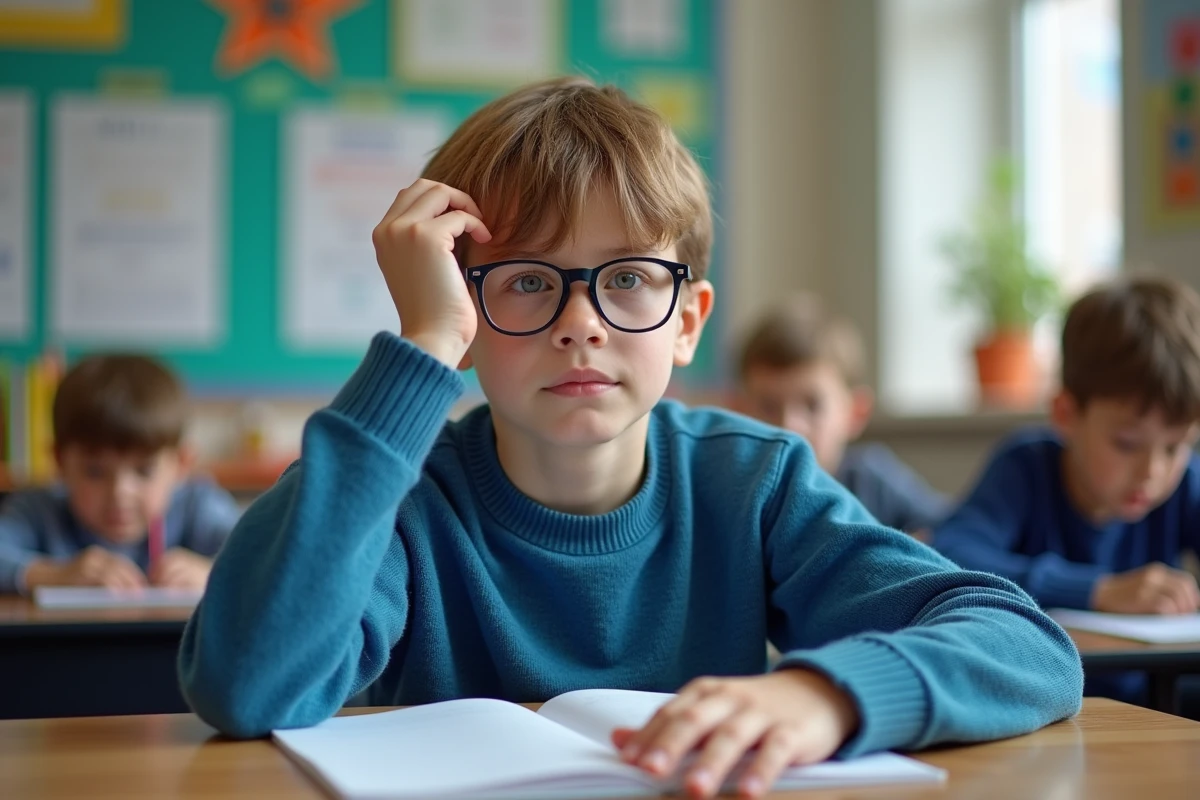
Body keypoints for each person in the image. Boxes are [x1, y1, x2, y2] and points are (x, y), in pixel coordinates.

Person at [180, 77, 1081, 799]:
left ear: (688, 322)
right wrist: (420, 351)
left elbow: (1024, 643)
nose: (581, 325)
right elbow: (247, 685)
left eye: (629, 278)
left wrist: (827, 696)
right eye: (527, 281)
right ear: (464, 308)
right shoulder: (405, 498)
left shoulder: (752, 482)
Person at [933, 274, 1200, 705]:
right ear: (1066, 413)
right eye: (1127, 443)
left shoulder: (1186, 483)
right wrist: (1098, 591)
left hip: (1157, 700)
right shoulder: (1026, 468)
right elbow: (952, 552)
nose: (1153, 470)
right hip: (1041, 702)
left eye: (1176, 446)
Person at [0, 354, 241, 593]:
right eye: (94, 471)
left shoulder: (196, 504)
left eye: (144, 471)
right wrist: (54, 575)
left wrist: (213, 571)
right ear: (59, 462)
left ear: (181, 464)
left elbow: (260, 552)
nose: (120, 493)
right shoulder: (38, 509)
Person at [737, 296, 948, 533]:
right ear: (740, 412)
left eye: (812, 406)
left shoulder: (871, 480)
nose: (789, 427)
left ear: (855, 413)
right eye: (768, 406)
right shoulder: (741, 494)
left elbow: (951, 526)